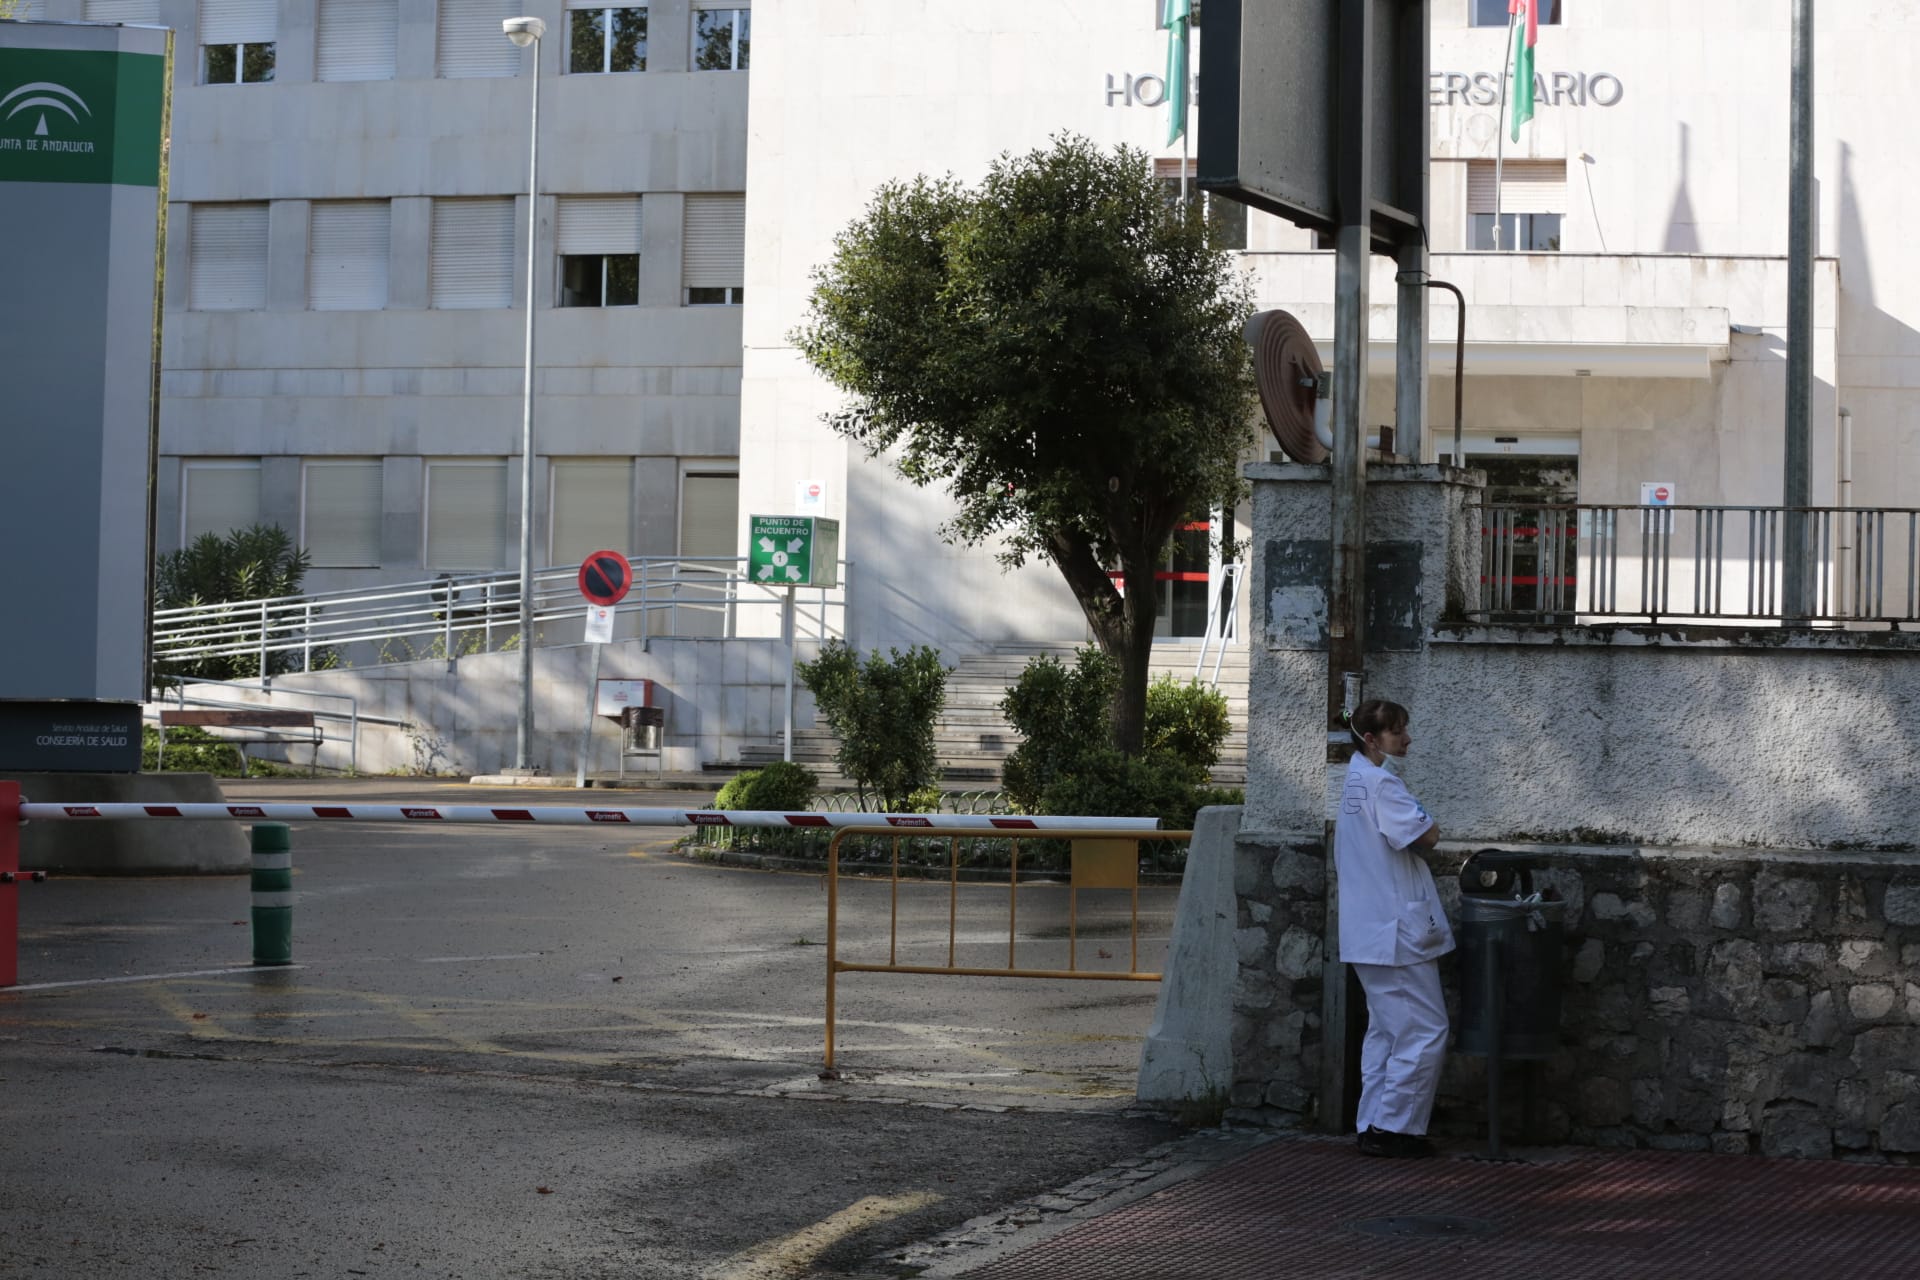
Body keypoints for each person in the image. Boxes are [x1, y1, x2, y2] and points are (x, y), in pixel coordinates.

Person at [1335, 698, 1452, 1159]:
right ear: (1371, 738)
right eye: (1397, 731)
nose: (1406, 739)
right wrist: (1427, 820)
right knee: (1424, 1029)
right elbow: (1427, 835)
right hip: (1393, 932)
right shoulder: (1382, 784)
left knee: (1386, 1031)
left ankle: (1374, 1122)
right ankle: (1394, 1128)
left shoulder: (1353, 782)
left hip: (1370, 928)